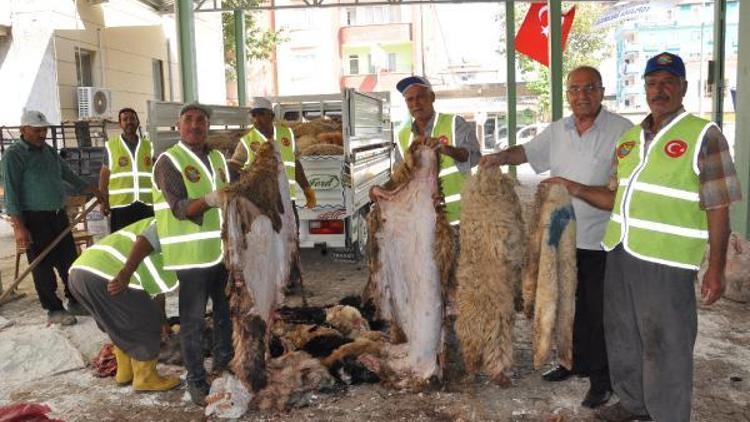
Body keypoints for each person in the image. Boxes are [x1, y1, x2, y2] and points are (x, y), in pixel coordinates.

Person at [586, 52, 740, 421]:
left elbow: (719, 207)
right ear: (644, 88)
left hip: (667, 262)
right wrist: (572, 188)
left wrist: (716, 268)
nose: (660, 90)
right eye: (653, 83)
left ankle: (667, 414)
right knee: (623, 336)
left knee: (666, 346)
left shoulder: (704, 135)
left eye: (669, 82)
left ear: (684, 87)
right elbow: (616, 196)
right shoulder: (629, 139)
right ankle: (633, 403)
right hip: (621, 253)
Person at [480, 66, 633, 409]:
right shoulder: (559, 130)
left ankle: (601, 380)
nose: (582, 95)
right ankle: (570, 362)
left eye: (589, 88)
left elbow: (624, 189)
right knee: (566, 305)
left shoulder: (623, 131)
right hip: (561, 237)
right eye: (575, 89)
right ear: (568, 94)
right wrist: (502, 157)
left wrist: (574, 187)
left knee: (598, 313)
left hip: (600, 240)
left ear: (602, 91)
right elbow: (528, 153)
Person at [151, 103, 233, 406]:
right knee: (193, 322)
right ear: (178, 125)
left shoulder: (217, 158)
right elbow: (179, 208)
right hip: (191, 258)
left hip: (221, 254)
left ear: (208, 126)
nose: (195, 125)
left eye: (201, 121)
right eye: (189, 120)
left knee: (226, 314)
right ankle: (196, 380)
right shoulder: (168, 161)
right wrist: (211, 200)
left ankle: (225, 365)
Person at [1, 109, 105, 326]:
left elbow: (67, 174)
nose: (42, 134)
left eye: (44, 130)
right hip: (34, 219)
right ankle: (54, 309)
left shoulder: (48, 151)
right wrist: (19, 227)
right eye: (37, 130)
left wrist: (91, 189)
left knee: (70, 261)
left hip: (58, 215)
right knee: (42, 266)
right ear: (23, 130)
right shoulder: (14, 155)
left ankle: (75, 301)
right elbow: (11, 192)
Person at [68, 217, 180, 392]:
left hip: (78, 274)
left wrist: (164, 321)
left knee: (118, 324)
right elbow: (157, 295)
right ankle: (145, 378)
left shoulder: (153, 221)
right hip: (106, 275)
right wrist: (159, 322)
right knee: (145, 321)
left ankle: (125, 372)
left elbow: (155, 291)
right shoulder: (172, 227)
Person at [394, 76, 481, 224]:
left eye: (420, 97)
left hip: (459, 219)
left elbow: (474, 157)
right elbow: (400, 179)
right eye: (410, 99)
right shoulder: (402, 136)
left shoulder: (454, 123)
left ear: (432, 97)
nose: (415, 104)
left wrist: (444, 149)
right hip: (422, 223)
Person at [228, 97, 316, 209]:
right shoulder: (246, 141)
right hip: (260, 203)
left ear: (272, 116)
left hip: (287, 199)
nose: (257, 119)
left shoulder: (287, 134)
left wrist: (307, 189)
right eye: (254, 115)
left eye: (261, 114)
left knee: (293, 226)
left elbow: (295, 164)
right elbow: (234, 166)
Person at [99, 108, 155, 232]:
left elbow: (156, 174)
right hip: (121, 207)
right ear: (120, 124)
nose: (129, 122)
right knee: (122, 245)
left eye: (132, 119)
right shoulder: (112, 146)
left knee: (146, 245)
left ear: (137, 122)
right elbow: (104, 176)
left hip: (146, 205)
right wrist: (103, 201)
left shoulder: (148, 146)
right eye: (125, 119)